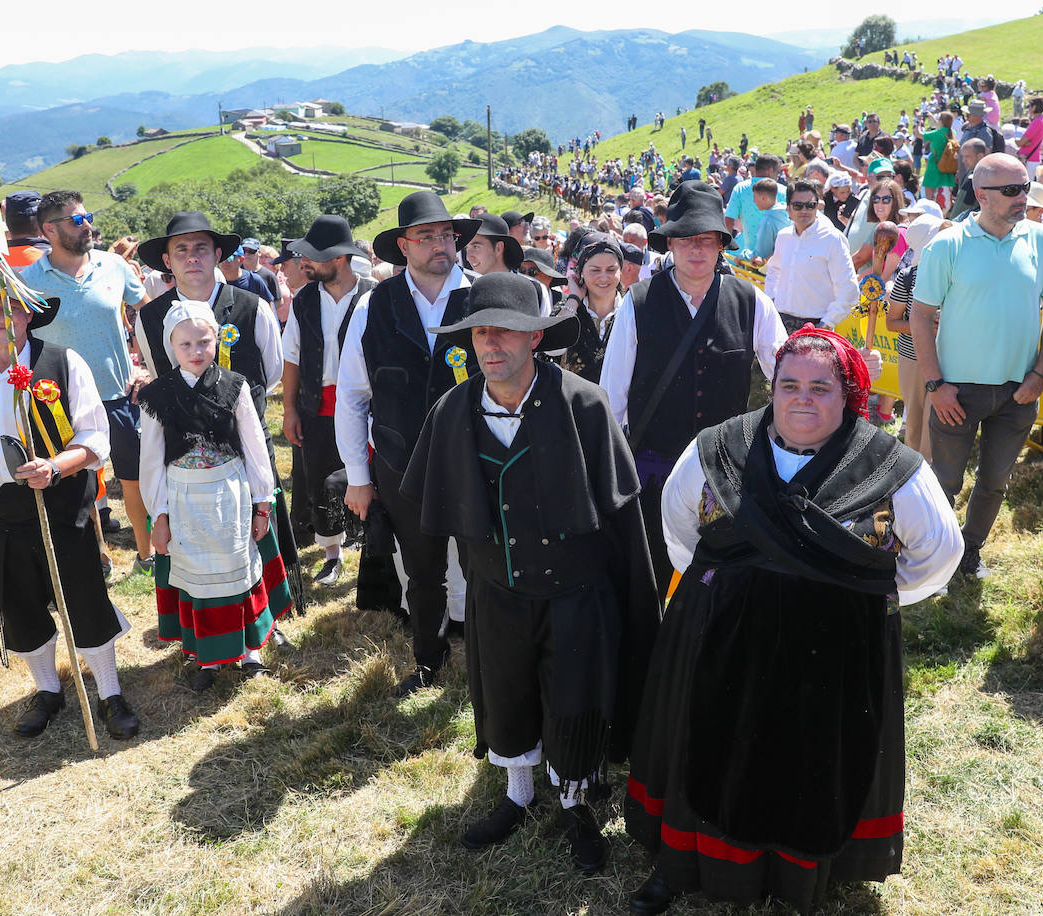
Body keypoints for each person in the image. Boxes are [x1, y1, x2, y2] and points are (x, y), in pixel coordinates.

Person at [624, 326, 961, 915]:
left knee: (811, 761)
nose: (802, 398)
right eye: (789, 385)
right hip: (716, 636)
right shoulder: (718, 448)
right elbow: (679, 528)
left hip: (831, 651)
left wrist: (856, 596)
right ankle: (682, 862)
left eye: (820, 387)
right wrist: (720, 594)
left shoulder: (890, 467)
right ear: (771, 388)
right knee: (699, 740)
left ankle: (798, 880)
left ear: (849, 394)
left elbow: (937, 557)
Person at [401, 272, 660, 873]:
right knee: (507, 692)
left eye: (507, 332)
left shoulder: (584, 405)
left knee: (573, 699)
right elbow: (433, 508)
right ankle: (518, 794)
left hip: (575, 592)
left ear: (535, 339)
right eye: (482, 332)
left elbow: (623, 521)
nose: (492, 345)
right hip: (497, 589)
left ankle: (573, 803)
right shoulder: (454, 409)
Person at [599, 180, 788, 592]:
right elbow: (612, 396)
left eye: (706, 239)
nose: (697, 249)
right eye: (686, 239)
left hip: (726, 470)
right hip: (654, 467)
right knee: (652, 575)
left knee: (720, 577)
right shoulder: (638, 302)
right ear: (670, 244)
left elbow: (787, 373)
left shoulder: (751, 300)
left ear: (722, 243)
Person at [0, 270, 139, 739]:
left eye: (11, 308)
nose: (1, 318)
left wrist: (55, 466)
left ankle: (109, 692)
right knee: (17, 605)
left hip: (60, 502)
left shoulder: (63, 362)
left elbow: (94, 437)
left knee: (82, 597)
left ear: (29, 314)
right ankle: (48, 690)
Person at [337, 192, 480, 696]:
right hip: (402, 464)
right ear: (403, 245)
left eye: (448, 235)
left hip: (476, 465)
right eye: (427, 236)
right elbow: (353, 396)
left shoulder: (485, 295)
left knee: (485, 568)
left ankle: (490, 664)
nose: (441, 244)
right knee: (422, 573)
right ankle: (429, 661)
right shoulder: (373, 306)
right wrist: (358, 477)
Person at [910, 153, 1043, 581]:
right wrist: (935, 384)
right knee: (944, 482)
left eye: (1026, 186)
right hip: (956, 391)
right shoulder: (947, 245)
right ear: (981, 195)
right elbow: (919, 316)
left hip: (1020, 390)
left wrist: (1040, 375)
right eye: (1012, 190)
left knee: (996, 482)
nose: (1024, 197)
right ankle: (933, 559)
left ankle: (969, 552)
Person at [139, 301, 292, 689]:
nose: (196, 351)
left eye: (204, 341)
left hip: (230, 494)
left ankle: (252, 650)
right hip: (184, 499)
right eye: (185, 344)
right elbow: (152, 462)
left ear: (216, 339)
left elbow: (256, 447)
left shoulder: (235, 385)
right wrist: (159, 515)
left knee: (239, 569)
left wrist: (262, 504)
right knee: (198, 577)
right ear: (170, 346)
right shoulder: (156, 396)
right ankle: (208, 657)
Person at [21, 191, 154, 574]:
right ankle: (96, 555)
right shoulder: (28, 282)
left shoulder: (114, 266)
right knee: (79, 483)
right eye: (77, 220)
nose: (88, 226)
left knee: (134, 478)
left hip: (119, 394)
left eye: (87, 217)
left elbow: (148, 315)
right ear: (49, 229)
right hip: (58, 402)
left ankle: (146, 555)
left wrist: (144, 365)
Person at [281, 215, 377, 586]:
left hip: (367, 403)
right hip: (317, 402)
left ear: (338, 259)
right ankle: (332, 552)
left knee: (368, 476)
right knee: (321, 479)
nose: (305, 264)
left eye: (313, 257)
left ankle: (371, 545)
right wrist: (290, 409)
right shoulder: (304, 300)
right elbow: (292, 357)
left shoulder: (374, 293)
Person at [885, 214, 949, 459]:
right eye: (939, 233)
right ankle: (913, 470)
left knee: (937, 417)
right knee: (914, 416)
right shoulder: (908, 277)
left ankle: (932, 470)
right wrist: (922, 327)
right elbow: (892, 323)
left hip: (948, 357)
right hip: (913, 357)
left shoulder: (956, 275)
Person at [764, 178, 859, 333]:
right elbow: (774, 270)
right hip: (780, 321)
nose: (804, 210)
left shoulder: (832, 239)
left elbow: (848, 289)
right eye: (798, 205)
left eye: (810, 205)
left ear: (817, 206)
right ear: (788, 208)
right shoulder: (784, 236)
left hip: (816, 325)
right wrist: (772, 300)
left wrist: (826, 324)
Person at [558, 234, 624, 383]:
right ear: (581, 272)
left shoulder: (632, 310)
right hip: (574, 404)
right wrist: (574, 299)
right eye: (595, 270)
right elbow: (552, 348)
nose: (603, 277)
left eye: (611, 269)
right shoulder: (568, 309)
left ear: (621, 270)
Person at [920, 111, 957, 210]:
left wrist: (919, 122)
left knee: (930, 197)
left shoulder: (936, 134)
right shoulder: (952, 133)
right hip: (948, 167)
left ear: (941, 121)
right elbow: (943, 127)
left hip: (934, 167)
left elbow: (919, 134)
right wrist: (933, 118)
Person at [1017, 97, 1043, 180]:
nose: (1028, 108)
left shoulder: (1037, 122)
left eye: (1030, 106)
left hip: (1030, 159)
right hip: (1032, 158)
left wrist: (1016, 140)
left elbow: (1021, 142)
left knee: (1028, 185)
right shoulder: (1042, 120)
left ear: (1034, 107)